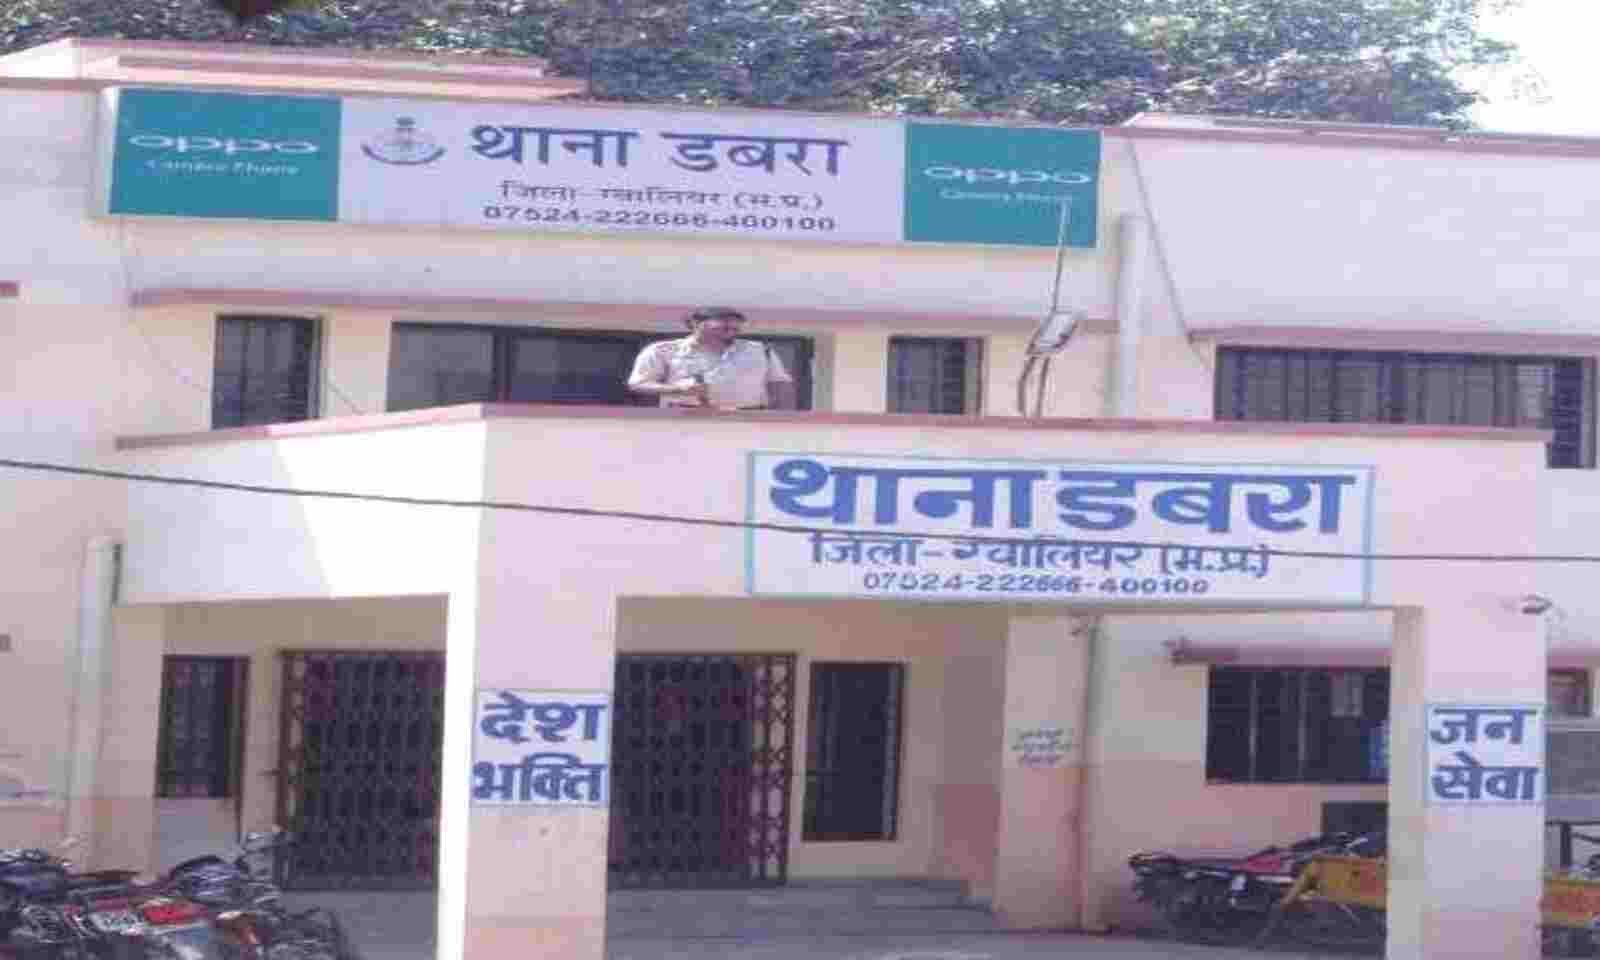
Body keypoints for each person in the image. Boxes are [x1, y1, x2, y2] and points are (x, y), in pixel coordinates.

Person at [627, 307, 796, 410]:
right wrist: (677, 389)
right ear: (696, 324)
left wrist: (781, 418)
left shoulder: (760, 350)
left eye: (736, 327)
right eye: (724, 325)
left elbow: (780, 385)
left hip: (748, 421)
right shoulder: (662, 350)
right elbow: (638, 384)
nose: (731, 331)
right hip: (684, 420)